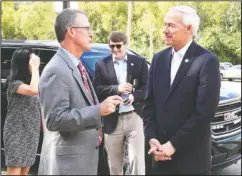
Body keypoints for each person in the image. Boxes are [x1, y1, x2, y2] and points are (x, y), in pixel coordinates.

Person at [38, 9, 122, 175]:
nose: (91, 34)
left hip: (82, 162)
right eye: (87, 28)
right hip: (66, 167)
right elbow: (55, 119)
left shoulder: (77, 66)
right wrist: (98, 110)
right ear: (71, 31)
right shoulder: (56, 69)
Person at [143, 6, 221, 175]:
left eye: (171, 25)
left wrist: (173, 145)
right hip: (159, 157)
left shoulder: (207, 61)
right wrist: (151, 137)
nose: (165, 30)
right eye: (164, 25)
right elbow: (149, 104)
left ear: (189, 28)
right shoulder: (158, 59)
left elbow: (204, 113)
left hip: (191, 160)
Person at [93, 31, 148, 175]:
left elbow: (147, 87)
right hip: (112, 118)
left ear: (126, 45)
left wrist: (134, 96)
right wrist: (117, 88)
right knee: (114, 165)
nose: (115, 50)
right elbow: (96, 89)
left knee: (137, 161)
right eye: (112, 47)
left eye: (118, 46)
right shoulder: (101, 64)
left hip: (134, 116)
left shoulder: (139, 62)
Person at [3, 47, 41, 175]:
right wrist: (35, 67)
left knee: (24, 172)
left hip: (31, 132)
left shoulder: (32, 82)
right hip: (16, 132)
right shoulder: (14, 83)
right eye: (30, 60)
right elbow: (33, 90)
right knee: (14, 171)